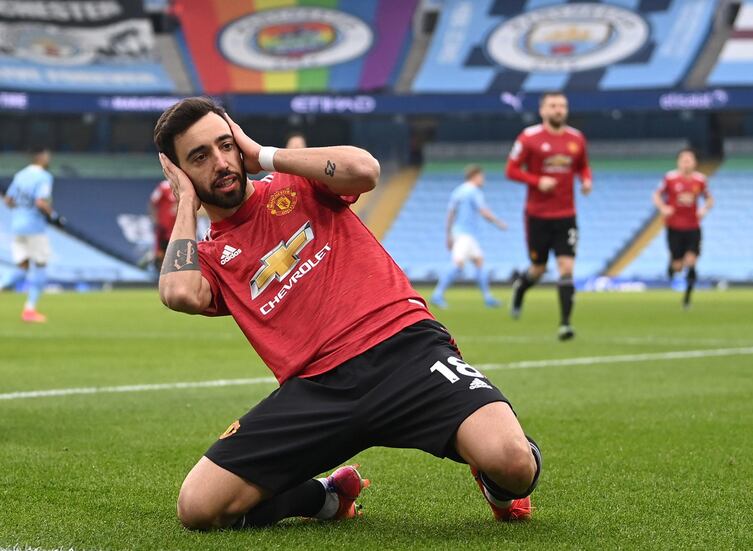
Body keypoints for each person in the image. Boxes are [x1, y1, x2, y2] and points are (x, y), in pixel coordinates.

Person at [153, 97, 541, 530]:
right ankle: (327, 497)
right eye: (200, 157)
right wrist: (185, 202)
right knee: (198, 508)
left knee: (513, 465)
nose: (222, 162)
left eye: (226, 145)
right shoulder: (208, 257)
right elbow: (179, 292)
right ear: (178, 171)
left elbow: (365, 170)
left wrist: (262, 153)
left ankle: (492, 481)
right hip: (317, 391)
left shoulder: (294, 184)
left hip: (405, 350)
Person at [505, 92, 592, 341]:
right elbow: (510, 170)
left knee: (566, 267)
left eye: (562, 105)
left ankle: (565, 324)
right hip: (537, 216)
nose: (558, 110)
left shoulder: (576, 139)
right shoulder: (529, 138)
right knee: (538, 269)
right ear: (542, 110)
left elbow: (583, 165)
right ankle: (521, 287)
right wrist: (536, 180)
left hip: (566, 215)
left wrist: (586, 180)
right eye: (553, 106)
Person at [431, 164, 507, 308]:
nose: (483, 180)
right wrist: (498, 222)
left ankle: (488, 297)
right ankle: (437, 294)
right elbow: (483, 211)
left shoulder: (458, 191)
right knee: (458, 264)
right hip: (465, 234)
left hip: (460, 233)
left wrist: (448, 235)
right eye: (482, 177)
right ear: (475, 176)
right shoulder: (473, 191)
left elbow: (450, 214)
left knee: (479, 261)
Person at [1, 148, 62, 323]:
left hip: (17, 226)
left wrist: (21, 209)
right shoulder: (44, 177)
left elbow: (8, 200)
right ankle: (30, 310)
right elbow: (41, 202)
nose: (49, 159)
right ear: (41, 157)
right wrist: (54, 216)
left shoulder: (20, 175)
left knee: (23, 267)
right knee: (41, 265)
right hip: (34, 227)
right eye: (47, 156)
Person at [653, 148, 713, 309]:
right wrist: (663, 208)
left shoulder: (700, 180)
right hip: (674, 227)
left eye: (689, 160)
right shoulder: (670, 178)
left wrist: (704, 210)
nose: (686, 163)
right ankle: (672, 263)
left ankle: (687, 299)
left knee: (691, 261)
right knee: (678, 266)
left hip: (693, 227)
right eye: (683, 160)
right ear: (679, 162)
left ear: (694, 162)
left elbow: (709, 199)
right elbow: (657, 195)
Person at [149, 179, 177, 272]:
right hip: (164, 227)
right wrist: (155, 220)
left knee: (176, 252)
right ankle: (159, 275)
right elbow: (152, 202)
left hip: (177, 228)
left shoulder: (183, 186)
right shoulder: (164, 186)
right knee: (161, 252)